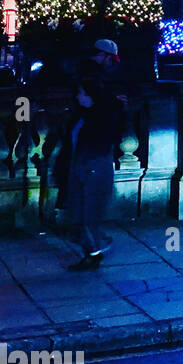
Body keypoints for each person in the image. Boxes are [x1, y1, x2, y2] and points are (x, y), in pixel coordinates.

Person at [62, 40, 125, 270]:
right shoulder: (94, 78)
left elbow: (91, 104)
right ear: (104, 56)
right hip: (94, 145)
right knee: (89, 196)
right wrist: (114, 103)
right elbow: (95, 106)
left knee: (85, 196)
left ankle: (93, 246)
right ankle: (94, 245)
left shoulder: (88, 76)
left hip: (89, 144)